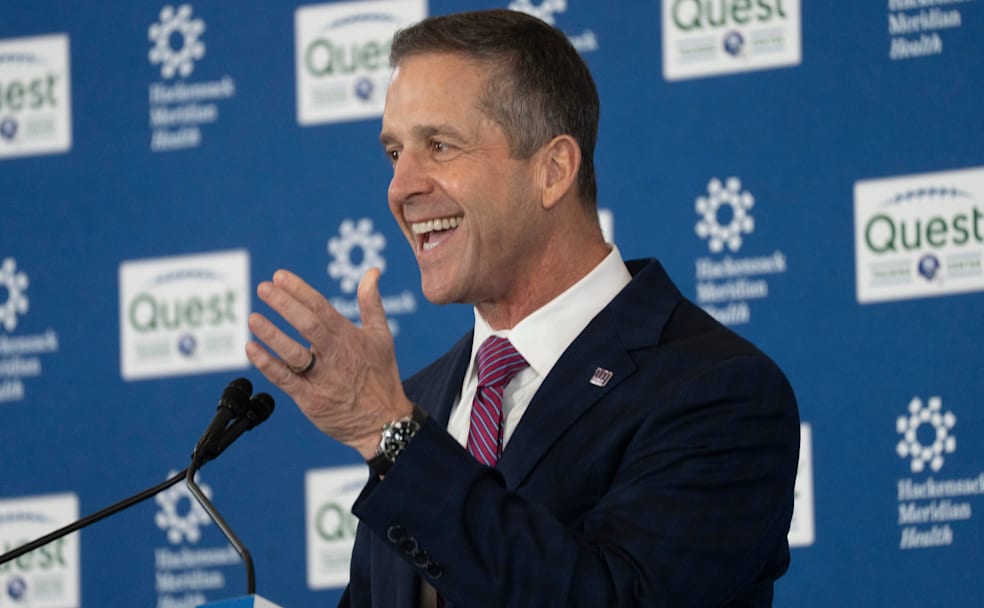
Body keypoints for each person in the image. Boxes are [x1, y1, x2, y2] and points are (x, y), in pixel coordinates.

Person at [246, 9, 799, 608]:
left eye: (438, 145)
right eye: (394, 153)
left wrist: (393, 436)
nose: (401, 187)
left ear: (553, 170)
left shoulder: (717, 391)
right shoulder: (423, 397)